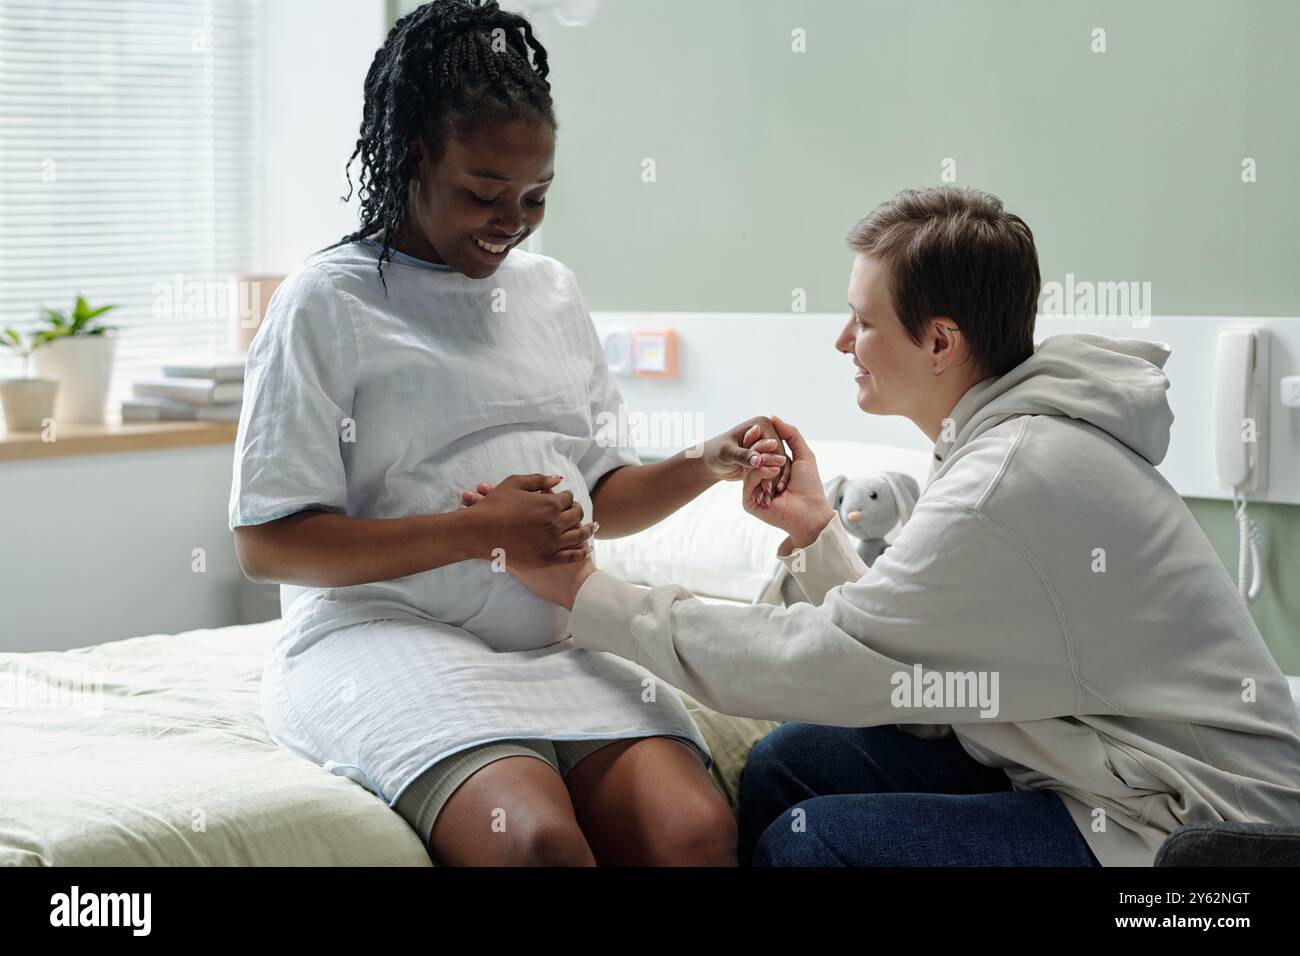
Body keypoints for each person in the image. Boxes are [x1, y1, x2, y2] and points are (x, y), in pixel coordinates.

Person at [494, 185, 1300, 867]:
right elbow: (911, 668)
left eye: (863, 322)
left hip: (1189, 835)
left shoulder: (1008, 479)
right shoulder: (1002, 446)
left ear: (941, 341)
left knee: (815, 844)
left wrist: (588, 592)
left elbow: (822, 659)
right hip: (1107, 776)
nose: (842, 341)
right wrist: (815, 532)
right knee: (790, 765)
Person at [228, 0, 790, 866]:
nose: (510, 221)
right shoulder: (328, 302)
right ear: (416, 152)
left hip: (557, 637)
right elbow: (269, 544)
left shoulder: (551, 292)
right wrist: (480, 533)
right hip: (388, 637)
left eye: (535, 197)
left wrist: (702, 463)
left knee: (696, 831)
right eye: (482, 193)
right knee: (535, 843)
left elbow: (606, 497)